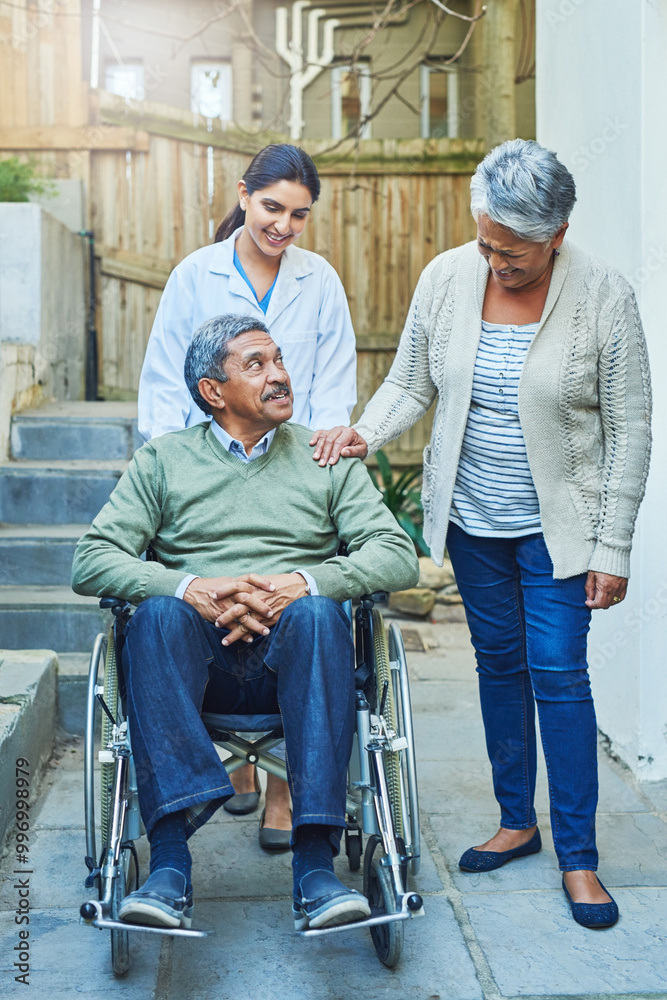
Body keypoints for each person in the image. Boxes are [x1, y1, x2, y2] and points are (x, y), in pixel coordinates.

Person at [310, 139, 652, 929]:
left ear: (556, 235)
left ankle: (579, 858)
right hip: (472, 520)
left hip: (558, 529)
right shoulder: (446, 276)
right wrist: (363, 432)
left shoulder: (603, 295)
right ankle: (515, 820)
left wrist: (612, 547)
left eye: (515, 253)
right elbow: (411, 379)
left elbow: (630, 430)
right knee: (497, 667)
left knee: (559, 675)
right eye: (487, 243)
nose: (496, 262)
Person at [72, 314, 418, 931]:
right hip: (196, 667)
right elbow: (91, 559)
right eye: (256, 365)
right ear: (213, 391)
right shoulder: (163, 461)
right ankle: (170, 866)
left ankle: (315, 869)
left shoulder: (325, 456)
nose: (280, 375)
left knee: (316, 615)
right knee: (154, 617)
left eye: (279, 360)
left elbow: (394, 554)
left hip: (301, 663)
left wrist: (302, 584)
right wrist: (191, 589)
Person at [137, 143, 357, 846]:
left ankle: (283, 797)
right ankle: (230, 768)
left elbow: (333, 382)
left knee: (306, 600)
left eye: (298, 214)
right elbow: (164, 390)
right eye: (271, 207)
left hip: (290, 467)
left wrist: (321, 465)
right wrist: (173, 481)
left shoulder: (317, 280)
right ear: (242, 195)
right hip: (207, 470)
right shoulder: (194, 275)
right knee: (198, 586)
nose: (284, 225)